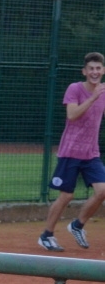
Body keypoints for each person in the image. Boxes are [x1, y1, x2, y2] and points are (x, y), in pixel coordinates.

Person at [38, 52, 105, 252]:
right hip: (70, 152)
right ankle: (46, 236)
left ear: (103, 70)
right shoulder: (75, 88)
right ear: (84, 71)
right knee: (66, 196)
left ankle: (77, 225)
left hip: (91, 153)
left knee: (103, 191)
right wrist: (93, 97)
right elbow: (72, 114)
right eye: (91, 68)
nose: (95, 72)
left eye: (98, 68)